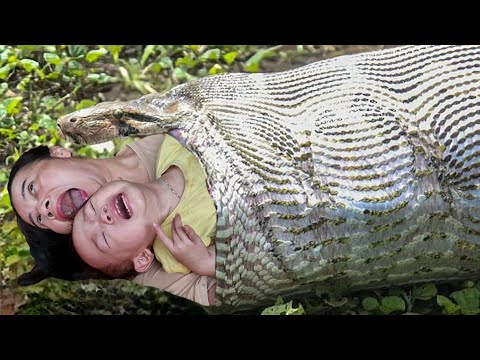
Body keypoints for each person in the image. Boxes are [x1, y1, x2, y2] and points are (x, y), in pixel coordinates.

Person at [7, 134, 216, 305]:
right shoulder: (166, 252)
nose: (45, 210)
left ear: (58, 153)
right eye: (41, 220)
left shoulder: (144, 131)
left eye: (32, 188)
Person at [71, 134, 218, 305]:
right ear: (142, 258)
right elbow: (247, 250)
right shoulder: (179, 246)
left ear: (112, 182)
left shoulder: (167, 146)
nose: (103, 217)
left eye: (92, 209)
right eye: (103, 239)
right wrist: (207, 262)